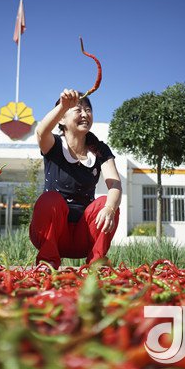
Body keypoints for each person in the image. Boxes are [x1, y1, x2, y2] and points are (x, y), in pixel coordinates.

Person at [30, 89, 122, 269]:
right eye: (78, 110)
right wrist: (63, 106)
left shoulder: (99, 150)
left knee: (106, 202)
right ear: (62, 119)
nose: (85, 114)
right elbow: (41, 132)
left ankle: (97, 263)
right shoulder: (54, 144)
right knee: (49, 199)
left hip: (84, 236)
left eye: (88, 110)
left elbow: (115, 184)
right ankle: (47, 262)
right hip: (52, 234)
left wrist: (110, 208)